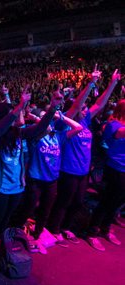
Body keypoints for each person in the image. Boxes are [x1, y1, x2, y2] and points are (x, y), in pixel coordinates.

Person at [47, 68, 120, 246]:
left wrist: (113, 83)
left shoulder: (86, 121)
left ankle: (65, 228)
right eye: (83, 108)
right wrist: (90, 83)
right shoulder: (64, 122)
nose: (86, 110)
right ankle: (54, 229)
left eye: (87, 108)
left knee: (78, 201)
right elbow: (78, 105)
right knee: (64, 201)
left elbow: (100, 104)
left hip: (83, 171)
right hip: (68, 170)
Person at [0, 87, 63, 245]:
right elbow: (0, 129)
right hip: (0, 188)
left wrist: (53, 108)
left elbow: (40, 128)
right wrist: (19, 106)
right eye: (11, 115)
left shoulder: (18, 134)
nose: (18, 116)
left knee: (6, 218)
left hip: (17, 187)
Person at [14, 106, 83, 253]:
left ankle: (37, 237)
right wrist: (38, 119)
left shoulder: (59, 135)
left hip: (52, 180)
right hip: (36, 179)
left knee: (45, 210)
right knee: (28, 208)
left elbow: (78, 127)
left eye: (51, 118)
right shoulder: (36, 136)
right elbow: (38, 129)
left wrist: (61, 117)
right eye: (46, 117)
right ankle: (16, 234)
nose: (50, 120)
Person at [86, 98, 125, 251]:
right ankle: (92, 232)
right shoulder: (113, 125)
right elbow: (120, 133)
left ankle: (106, 228)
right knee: (106, 201)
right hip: (115, 168)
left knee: (115, 203)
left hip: (123, 169)